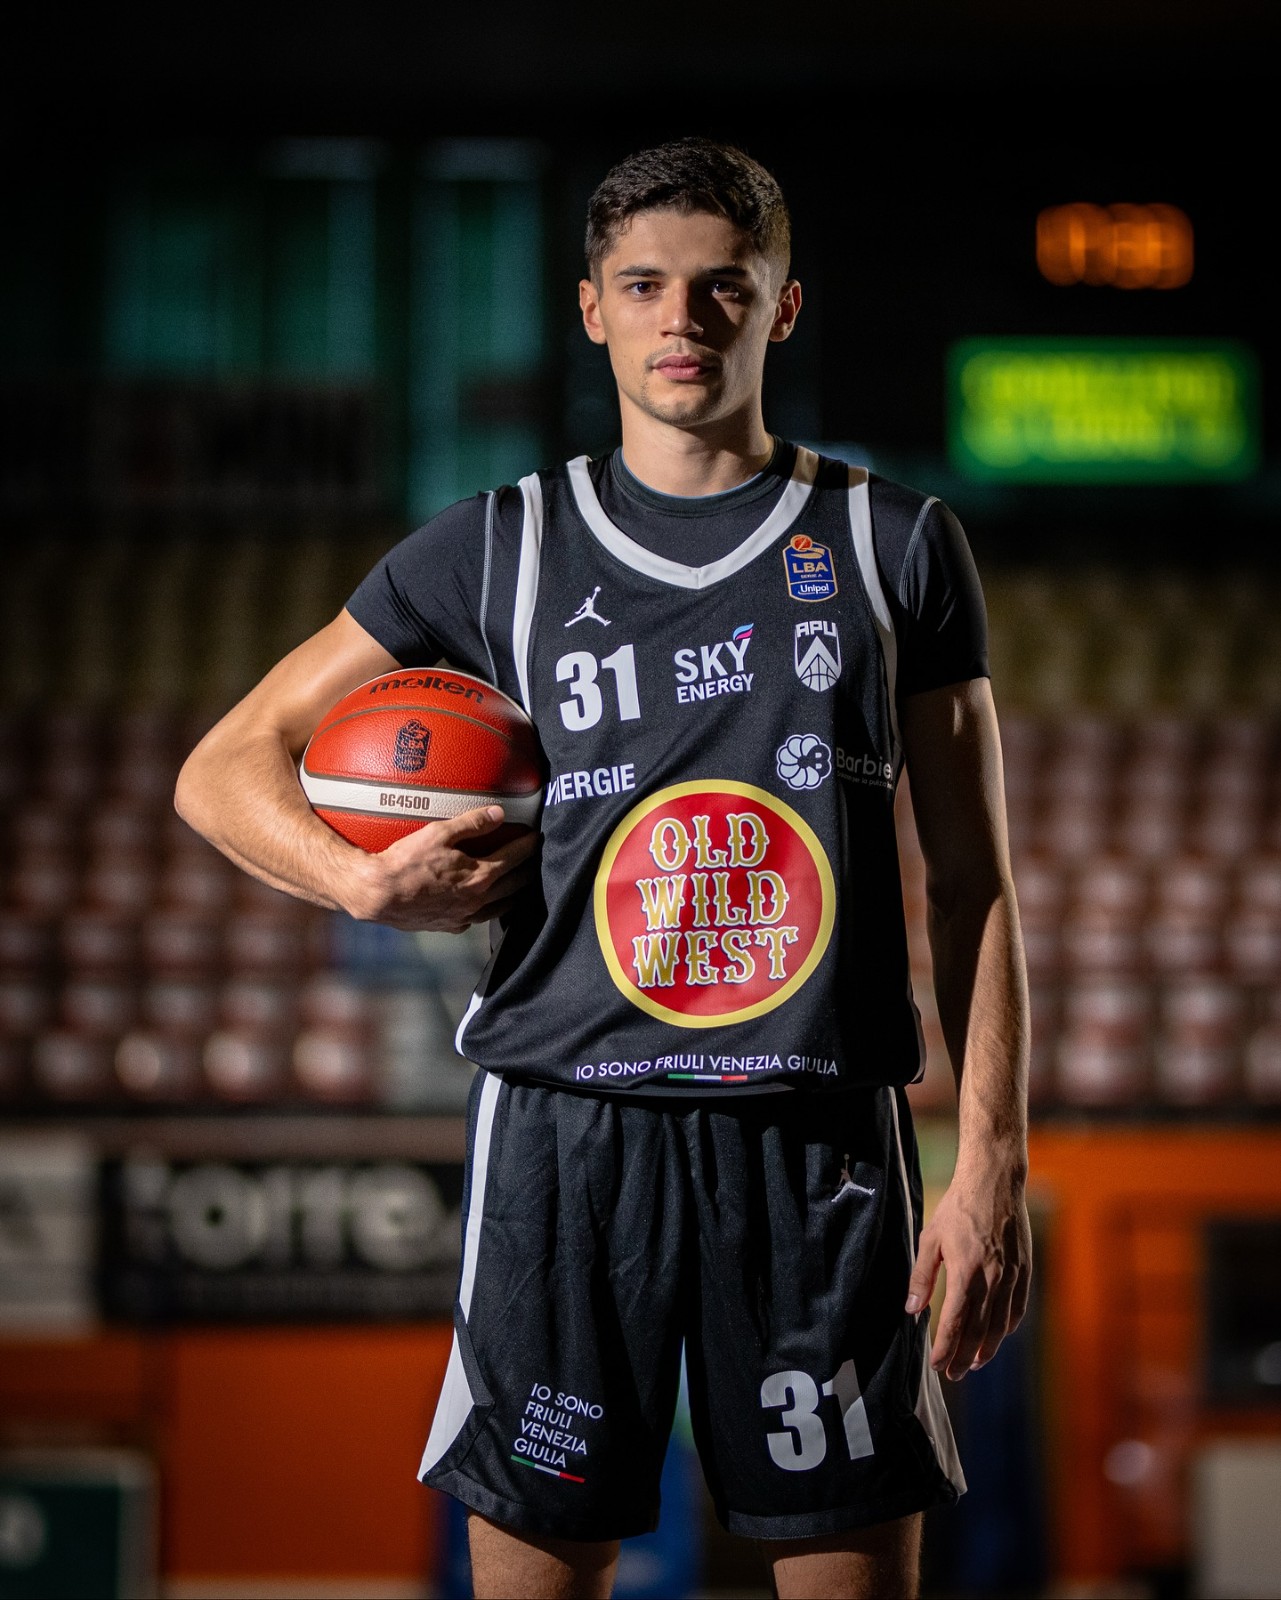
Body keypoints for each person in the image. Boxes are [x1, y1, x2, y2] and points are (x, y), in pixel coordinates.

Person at [174, 136, 1032, 1600]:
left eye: (721, 285)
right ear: (592, 309)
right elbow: (223, 763)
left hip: (818, 1139)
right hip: (567, 1135)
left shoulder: (893, 545)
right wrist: (359, 882)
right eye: (642, 285)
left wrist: (995, 1162)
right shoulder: (496, 548)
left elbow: (977, 883)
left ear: (782, 306)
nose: (680, 319)